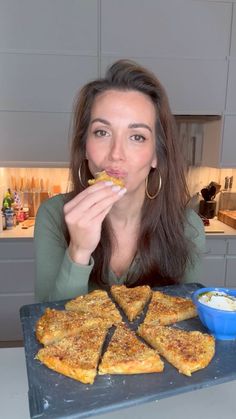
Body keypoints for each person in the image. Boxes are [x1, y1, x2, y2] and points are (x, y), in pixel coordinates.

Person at [34, 59, 205, 302]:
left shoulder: (188, 227)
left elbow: (192, 326)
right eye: (102, 132)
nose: (116, 153)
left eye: (136, 136)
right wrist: (79, 252)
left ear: (156, 154)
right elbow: (47, 326)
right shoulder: (53, 215)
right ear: (84, 147)